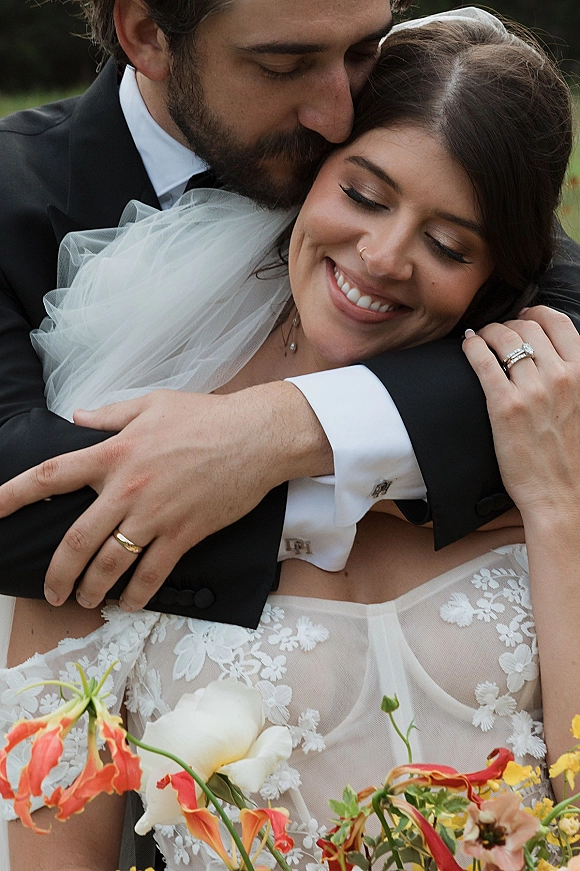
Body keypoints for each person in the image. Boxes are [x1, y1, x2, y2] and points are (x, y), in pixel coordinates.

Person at [3, 15, 579, 871]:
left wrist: (557, 510)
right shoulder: (124, 445)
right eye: (364, 195)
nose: (330, 101)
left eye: (449, 242)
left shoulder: (546, 445)